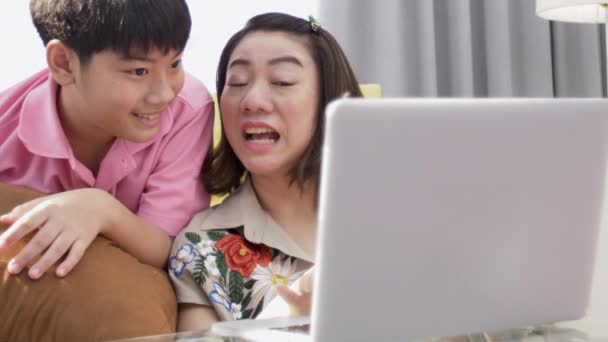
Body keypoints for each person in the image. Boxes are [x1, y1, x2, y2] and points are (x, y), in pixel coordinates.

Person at [169, 12, 362, 331]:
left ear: (329, 97)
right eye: (237, 83)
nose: (252, 100)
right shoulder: (201, 248)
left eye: (282, 81)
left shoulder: (398, 218)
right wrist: (279, 323)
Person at [0, 0, 213, 280]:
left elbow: (173, 251)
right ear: (64, 63)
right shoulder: (6, 128)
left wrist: (102, 209)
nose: (163, 94)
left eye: (174, 63)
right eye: (139, 71)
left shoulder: (189, 109)